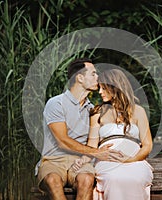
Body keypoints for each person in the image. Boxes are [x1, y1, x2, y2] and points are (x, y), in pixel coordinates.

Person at [36, 58, 123, 200]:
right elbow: (62, 141)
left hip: (81, 161)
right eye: (93, 74)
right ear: (80, 78)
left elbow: (97, 137)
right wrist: (96, 152)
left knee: (87, 180)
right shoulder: (56, 103)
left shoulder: (92, 109)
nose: (97, 77)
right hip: (53, 160)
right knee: (52, 180)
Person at [72, 68, 154, 200]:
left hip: (135, 159)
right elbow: (92, 145)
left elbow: (147, 145)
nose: (99, 92)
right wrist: (82, 160)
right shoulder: (98, 112)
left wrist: (131, 159)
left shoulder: (138, 111)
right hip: (108, 160)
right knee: (113, 178)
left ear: (115, 87)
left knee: (135, 178)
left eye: (103, 88)